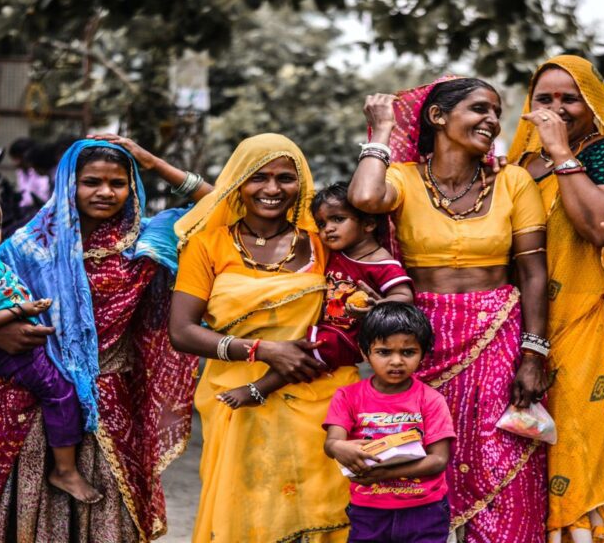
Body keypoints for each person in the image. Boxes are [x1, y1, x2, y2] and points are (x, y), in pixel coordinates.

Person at [0, 137, 207, 541]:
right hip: (35, 404)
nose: (104, 192)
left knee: (109, 515)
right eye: (91, 182)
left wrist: (152, 161)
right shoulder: (32, 245)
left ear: (133, 186)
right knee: (37, 515)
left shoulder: (149, 240)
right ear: (69, 184)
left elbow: (221, 205)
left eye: (118, 183)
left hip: (113, 407)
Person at [349, 77, 551, 542]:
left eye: (496, 111)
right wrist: (380, 132)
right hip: (423, 343)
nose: (492, 120)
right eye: (479, 109)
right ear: (438, 117)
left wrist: (533, 353)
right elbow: (362, 199)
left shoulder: (513, 181)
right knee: (416, 460)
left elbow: (534, 273)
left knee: (502, 465)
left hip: (498, 336)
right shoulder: (401, 178)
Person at [169, 134, 358, 542]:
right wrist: (261, 350)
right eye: (259, 177)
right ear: (238, 182)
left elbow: (346, 314)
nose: (272, 189)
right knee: (248, 513)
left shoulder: (324, 243)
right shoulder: (207, 245)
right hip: (238, 398)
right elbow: (181, 331)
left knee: (319, 512)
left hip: (319, 397)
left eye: (285, 178)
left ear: (301, 184)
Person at [506, 54, 604, 542]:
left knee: (583, 451)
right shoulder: (519, 167)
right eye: (544, 99)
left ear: (593, 104)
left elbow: (598, 228)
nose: (557, 108)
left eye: (570, 98)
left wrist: (560, 152)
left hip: (587, 327)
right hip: (520, 330)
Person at [0, 182, 101, 504]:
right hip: (14, 351)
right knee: (61, 392)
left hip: (19, 344)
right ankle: (65, 470)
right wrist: (19, 311)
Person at [217, 181, 413, 409]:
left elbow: (404, 295)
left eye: (338, 219)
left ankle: (259, 389)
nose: (328, 228)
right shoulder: (335, 252)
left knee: (306, 353)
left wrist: (378, 308)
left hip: (347, 336)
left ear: (368, 224)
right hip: (328, 326)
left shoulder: (380, 261)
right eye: (322, 223)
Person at [323, 302, 456, 543]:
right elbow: (332, 442)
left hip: (425, 510)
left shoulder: (431, 399)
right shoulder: (347, 396)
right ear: (365, 353)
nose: (396, 361)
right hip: (368, 510)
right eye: (384, 352)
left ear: (423, 354)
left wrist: (382, 473)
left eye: (408, 352)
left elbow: (438, 460)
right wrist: (336, 447)